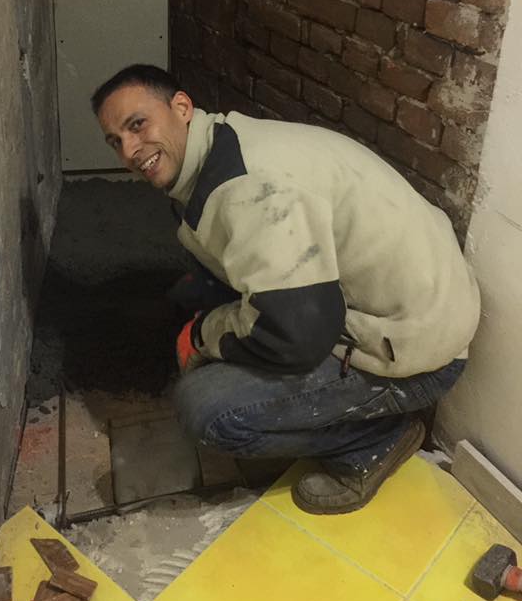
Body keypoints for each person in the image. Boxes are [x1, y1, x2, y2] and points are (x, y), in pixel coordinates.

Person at [91, 64, 480, 514]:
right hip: (394, 301)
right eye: (115, 140)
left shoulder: (250, 188)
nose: (129, 150)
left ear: (181, 107)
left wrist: (201, 335)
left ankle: (373, 441)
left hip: (414, 347)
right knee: (194, 295)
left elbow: (298, 335)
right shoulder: (217, 146)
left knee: (206, 409)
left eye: (138, 125)